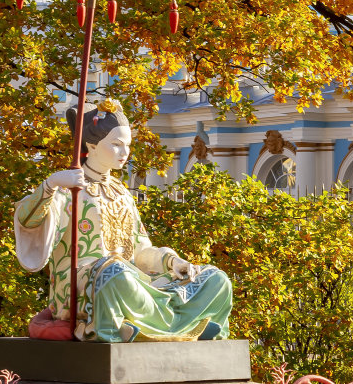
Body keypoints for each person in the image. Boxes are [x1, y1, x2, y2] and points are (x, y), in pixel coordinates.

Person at [14, 101, 233, 342]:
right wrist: (51, 184)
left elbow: (141, 250)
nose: (124, 152)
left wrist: (172, 261)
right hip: (86, 288)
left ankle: (166, 327)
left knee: (215, 278)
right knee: (115, 273)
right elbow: (28, 221)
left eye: (127, 145)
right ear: (92, 146)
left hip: (134, 282)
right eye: (116, 145)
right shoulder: (70, 189)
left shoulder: (121, 192)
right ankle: (168, 325)